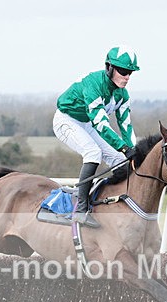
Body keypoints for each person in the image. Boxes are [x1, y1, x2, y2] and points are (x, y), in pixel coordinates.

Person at [53, 46, 140, 227]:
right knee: (93, 153)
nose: (127, 77)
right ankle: (80, 210)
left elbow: (126, 125)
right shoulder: (93, 84)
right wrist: (124, 147)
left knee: (119, 160)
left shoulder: (123, 95)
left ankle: (102, 198)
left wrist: (134, 149)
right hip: (66, 120)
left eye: (130, 73)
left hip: (87, 124)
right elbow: (101, 123)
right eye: (123, 72)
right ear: (109, 68)